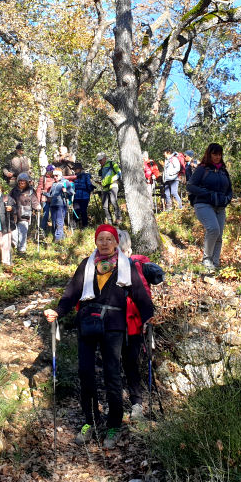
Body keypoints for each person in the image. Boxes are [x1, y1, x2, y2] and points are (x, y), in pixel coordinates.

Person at [44, 225, 155, 449]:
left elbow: (140, 294)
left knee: (112, 374)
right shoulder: (86, 264)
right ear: (95, 242)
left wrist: (149, 316)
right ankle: (91, 421)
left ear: (116, 242)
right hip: (87, 322)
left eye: (109, 239)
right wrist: (58, 311)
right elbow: (72, 292)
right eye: (100, 239)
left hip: (114, 325)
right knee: (85, 373)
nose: (104, 243)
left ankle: (114, 425)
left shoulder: (126, 265)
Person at [115, 229, 155, 421]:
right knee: (116, 364)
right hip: (115, 323)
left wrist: (147, 319)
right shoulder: (103, 266)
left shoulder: (134, 266)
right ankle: (119, 404)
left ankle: (136, 403)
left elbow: (143, 293)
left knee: (130, 363)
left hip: (132, 323)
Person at [186, 143, 233, 272]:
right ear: (209, 154)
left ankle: (215, 264)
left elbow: (229, 189)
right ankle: (207, 260)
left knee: (219, 236)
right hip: (203, 204)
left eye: (219, 154)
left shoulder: (223, 171)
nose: (217, 157)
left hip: (220, 207)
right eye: (214, 154)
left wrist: (227, 198)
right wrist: (208, 194)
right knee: (213, 229)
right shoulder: (202, 169)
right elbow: (190, 186)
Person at [9, 173, 41, 252]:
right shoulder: (14, 191)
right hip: (14, 215)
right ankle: (15, 245)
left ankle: (22, 250)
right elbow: (9, 200)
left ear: (27, 182)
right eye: (20, 181)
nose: (22, 182)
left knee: (22, 233)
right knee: (13, 233)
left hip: (24, 215)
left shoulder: (30, 191)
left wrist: (37, 206)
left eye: (23, 181)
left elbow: (34, 200)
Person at [47, 169, 74, 242]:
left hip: (61, 204)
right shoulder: (53, 184)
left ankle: (57, 239)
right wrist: (45, 193)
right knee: (54, 222)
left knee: (59, 221)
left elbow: (71, 192)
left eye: (56, 176)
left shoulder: (65, 182)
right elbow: (51, 194)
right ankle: (61, 237)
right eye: (54, 176)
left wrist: (66, 191)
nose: (55, 177)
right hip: (53, 204)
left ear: (60, 175)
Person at [97, 153, 122, 225]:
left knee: (113, 201)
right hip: (105, 188)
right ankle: (110, 222)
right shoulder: (102, 168)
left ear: (105, 158)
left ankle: (118, 219)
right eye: (98, 160)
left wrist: (114, 179)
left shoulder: (112, 164)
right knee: (105, 206)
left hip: (113, 185)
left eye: (101, 160)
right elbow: (104, 179)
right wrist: (100, 183)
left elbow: (119, 173)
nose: (99, 162)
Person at [71, 162, 94, 228]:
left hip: (85, 196)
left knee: (83, 211)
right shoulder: (73, 177)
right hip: (76, 196)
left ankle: (85, 225)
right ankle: (75, 226)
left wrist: (91, 188)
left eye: (76, 169)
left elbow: (89, 184)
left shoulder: (86, 176)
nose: (75, 170)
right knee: (76, 210)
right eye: (74, 169)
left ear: (80, 169)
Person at [37, 164, 58, 235]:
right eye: (52, 171)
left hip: (53, 199)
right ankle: (42, 230)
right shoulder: (43, 178)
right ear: (48, 171)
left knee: (54, 215)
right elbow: (39, 190)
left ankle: (54, 231)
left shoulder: (55, 178)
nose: (53, 172)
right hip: (45, 199)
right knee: (45, 215)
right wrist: (38, 202)